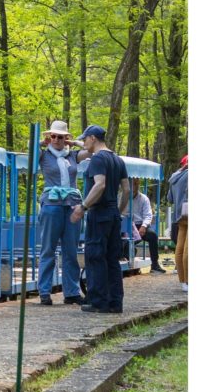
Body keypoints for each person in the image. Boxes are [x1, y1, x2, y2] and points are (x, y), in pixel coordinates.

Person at [68, 124, 128, 313]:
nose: (84, 142)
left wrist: (83, 206)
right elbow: (126, 190)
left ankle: (98, 301)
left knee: (95, 257)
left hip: (99, 213)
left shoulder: (97, 160)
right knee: (112, 259)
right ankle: (115, 302)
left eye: (85, 139)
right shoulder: (117, 159)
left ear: (93, 138)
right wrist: (117, 211)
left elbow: (99, 185)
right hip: (112, 215)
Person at [30, 120, 83, 305]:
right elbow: (30, 154)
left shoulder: (74, 156)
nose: (57, 140)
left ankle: (72, 292)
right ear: (49, 137)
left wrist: (74, 142)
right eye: (53, 136)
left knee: (71, 251)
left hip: (72, 206)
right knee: (48, 250)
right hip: (51, 206)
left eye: (60, 137)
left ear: (65, 138)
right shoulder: (44, 156)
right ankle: (44, 291)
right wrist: (40, 143)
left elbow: (93, 151)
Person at [168, 151, 188, 286]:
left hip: (179, 215)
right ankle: (189, 280)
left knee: (179, 248)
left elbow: (169, 198)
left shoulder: (174, 177)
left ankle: (182, 281)